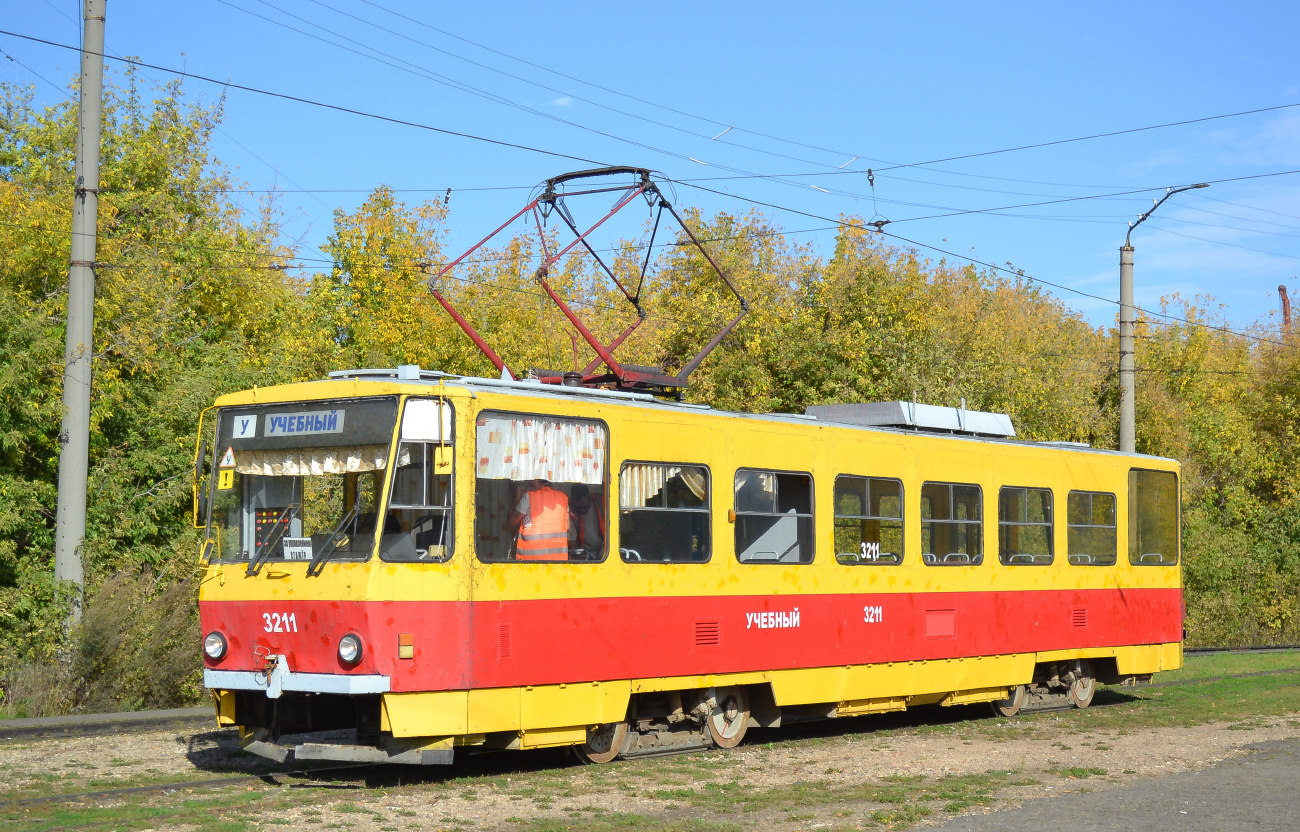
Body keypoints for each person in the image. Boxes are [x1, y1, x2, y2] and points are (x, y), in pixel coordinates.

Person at [507, 479, 572, 560]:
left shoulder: (528, 498)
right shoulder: (563, 498)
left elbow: (512, 520)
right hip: (558, 561)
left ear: (536, 480)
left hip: (533, 561)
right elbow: (566, 526)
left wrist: (517, 497)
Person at [569, 484, 605, 559]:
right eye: (578, 508)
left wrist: (605, 550)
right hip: (584, 554)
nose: (582, 510)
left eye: (585, 506)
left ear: (589, 497)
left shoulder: (603, 502)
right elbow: (572, 543)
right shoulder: (570, 512)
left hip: (605, 551)